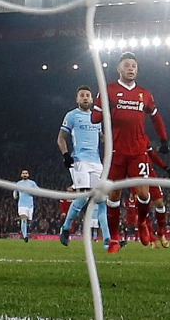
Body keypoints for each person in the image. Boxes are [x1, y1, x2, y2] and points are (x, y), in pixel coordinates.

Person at [90, 51, 170, 254]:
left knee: (143, 194)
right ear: (119, 68)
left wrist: (163, 139)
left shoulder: (145, 94)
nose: (131, 69)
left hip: (138, 151)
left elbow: (156, 117)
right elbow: (95, 118)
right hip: (116, 151)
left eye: (134, 66)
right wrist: (105, 107)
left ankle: (142, 222)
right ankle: (114, 239)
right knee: (114, 195)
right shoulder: (108, 90)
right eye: (127, 65)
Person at [57, 84, 112, 248]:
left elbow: (102, 137)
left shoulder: (97, 118)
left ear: (92, 99)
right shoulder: (72, 115)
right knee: (83, 196)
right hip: (79, 161)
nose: (85, 98)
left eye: (87, 95)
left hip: (96, 163)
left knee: (101, 200)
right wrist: (66, 155)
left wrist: (111, 141)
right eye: (82, 95)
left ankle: (108, 239)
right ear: (77, 99)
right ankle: (66, 228)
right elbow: (61, 137)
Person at [12, 169, 37, 242]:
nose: (25, 174)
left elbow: (37, 191)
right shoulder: (18, 183)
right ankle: (25, 236)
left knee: (29, 221)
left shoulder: (32, 183)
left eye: (26, 173)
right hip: (22, 205)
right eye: (23, 173)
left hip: (30, 205)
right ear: (21, 175)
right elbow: (15, 191)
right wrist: (15, 195)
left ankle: (24, 231)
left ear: (28, 175)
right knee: (23, 219)